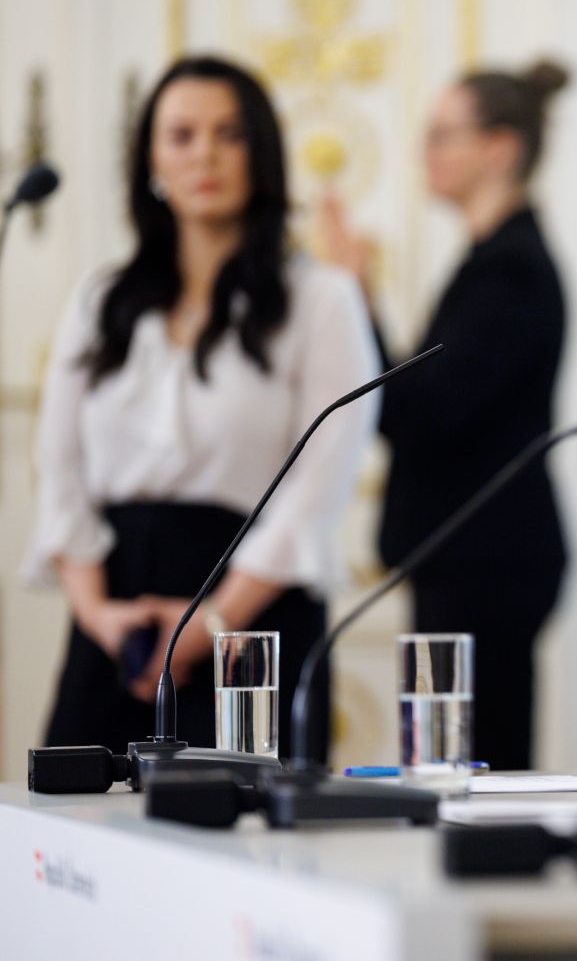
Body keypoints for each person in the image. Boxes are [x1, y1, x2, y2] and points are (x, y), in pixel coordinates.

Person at [23, 55, 377, 762]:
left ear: (263, 154)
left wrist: (212, 622)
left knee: (250, 850)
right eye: (181, 135)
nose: (205, 154)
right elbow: (58, 470)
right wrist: (100, 615)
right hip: (116, 621)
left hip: (255, 622)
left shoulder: (321, 299)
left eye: (230, 134)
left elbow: (316, 491)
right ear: (151, 157)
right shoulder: (100, 299)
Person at [324, 62, 570, 772]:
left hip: (486, 562)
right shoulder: (493, 262)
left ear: (500, 149)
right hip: (472, 560)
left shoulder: (511, 271)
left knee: (470, 782)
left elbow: (421, 410)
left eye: (442, 135)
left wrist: (355, 297)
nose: (424, 152)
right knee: (450, 772)